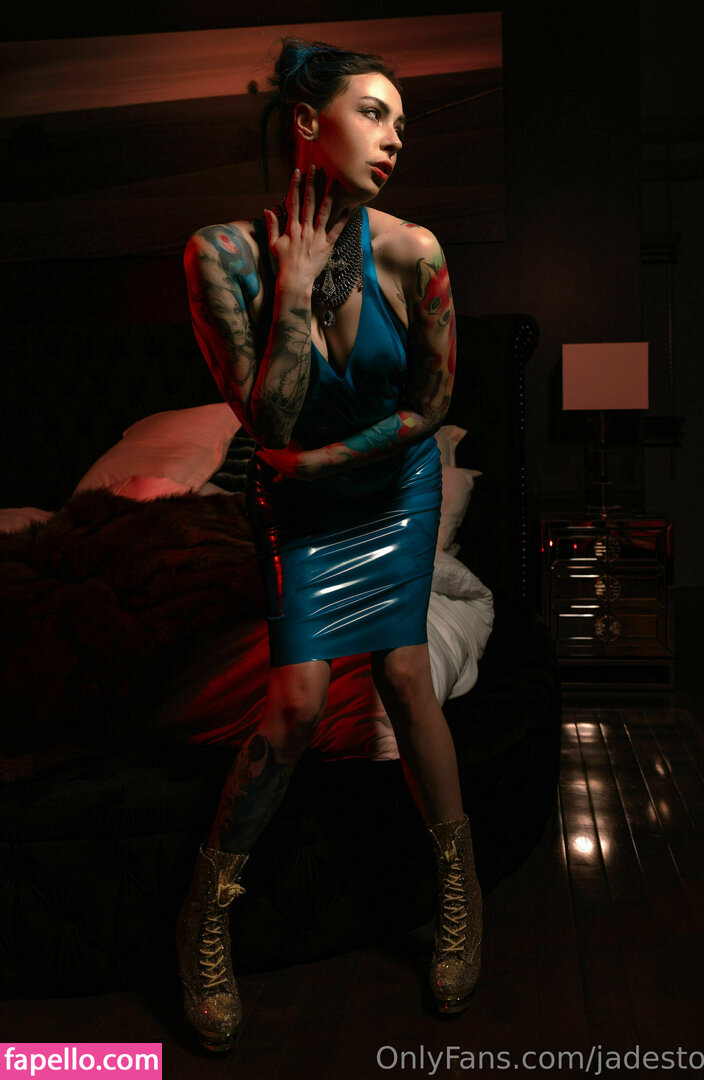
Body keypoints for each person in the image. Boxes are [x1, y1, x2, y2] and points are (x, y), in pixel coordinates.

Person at [176, 39, 482, 1053]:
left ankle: (458, 889)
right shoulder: (220, 256)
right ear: (309, 123)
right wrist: (298, 287)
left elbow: (431, 405)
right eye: (373, 112)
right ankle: (207, 913)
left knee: (404, 674)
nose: (395, 138)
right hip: (300, 514)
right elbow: (266, 420)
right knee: (298, 702)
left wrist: (323, 460)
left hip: (393, 488)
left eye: (402, 121)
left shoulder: (415, 251)